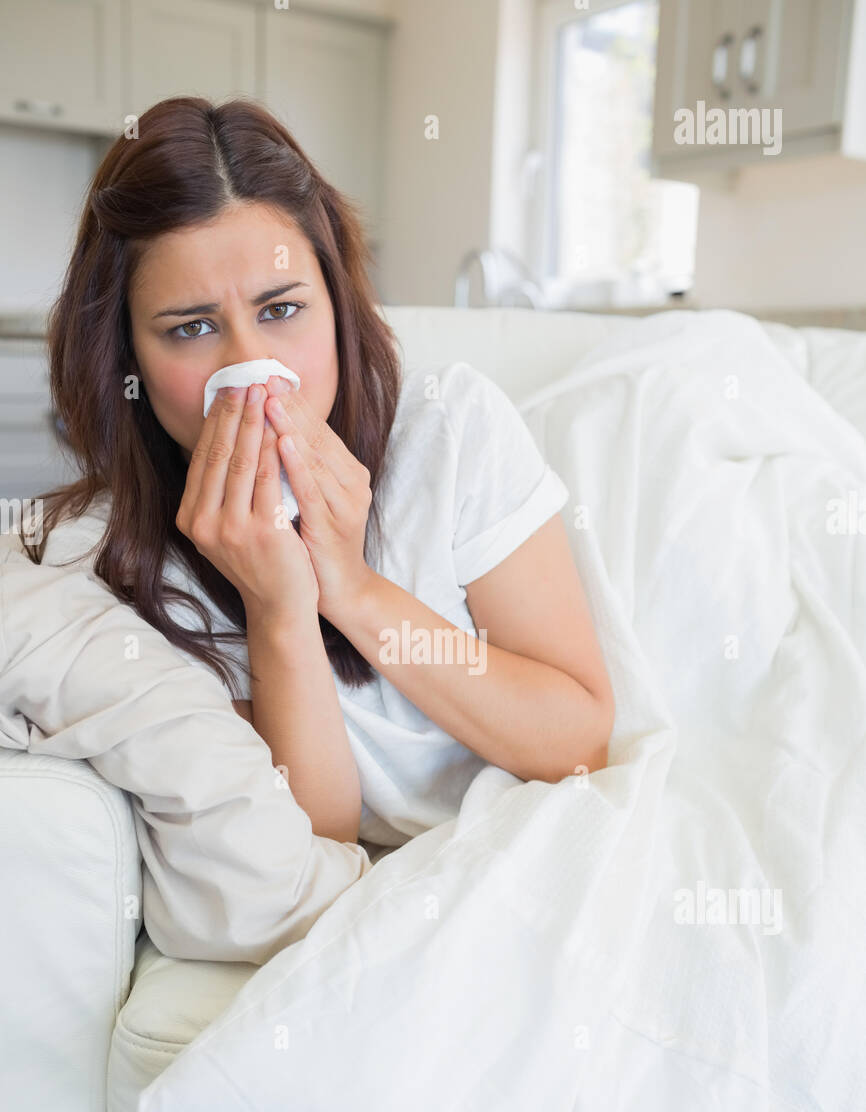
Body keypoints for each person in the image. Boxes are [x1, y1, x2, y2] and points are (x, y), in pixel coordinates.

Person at [26, 96, 615, 852]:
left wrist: (353, 588)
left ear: (337, 306)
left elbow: (578, 744)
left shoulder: (452, 432)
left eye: (281, 309)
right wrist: (278, 607)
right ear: (124, 357)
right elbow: (318, 837)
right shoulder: (116, 564)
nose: (248, 368)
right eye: (192, 328)